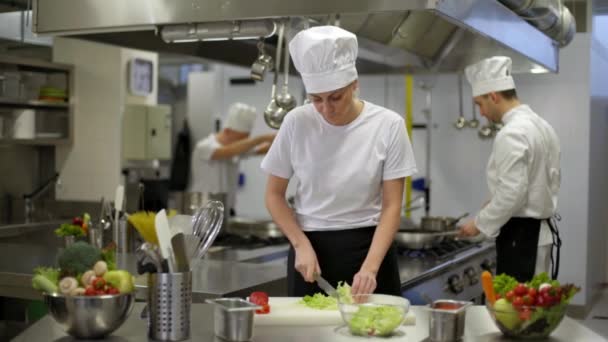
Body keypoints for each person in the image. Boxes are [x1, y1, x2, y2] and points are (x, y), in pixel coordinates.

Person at [260, 26, 417, 297]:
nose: (326, 109)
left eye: (335, 97)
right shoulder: (296, 122)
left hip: (370, 248)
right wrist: (300, 244)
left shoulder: (388, 125)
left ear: (354, 84)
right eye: (316, 99)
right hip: (311, 249)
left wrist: (370, 267)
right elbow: (274, 195)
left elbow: (392, 205)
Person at [458, 56, 562, 282]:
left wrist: (479, 223)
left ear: (493, 96)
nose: (482, 113)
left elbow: (513, 193)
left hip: (522, 237)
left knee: (517, 312)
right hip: (539, 234)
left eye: (480, 104)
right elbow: (537, 183)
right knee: (535, 306)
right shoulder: (542, 126)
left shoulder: (512, 133)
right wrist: (493, 201)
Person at [189, 102, 275, 212]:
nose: (243, 143)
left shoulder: (237, 150)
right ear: (227, 131)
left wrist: (282, 139)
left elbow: (263, 150)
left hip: (227, 209)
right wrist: (261, 138)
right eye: (241, 139)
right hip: (203, 209)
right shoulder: (205, 146)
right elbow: (226, 152)